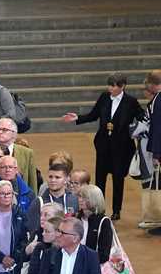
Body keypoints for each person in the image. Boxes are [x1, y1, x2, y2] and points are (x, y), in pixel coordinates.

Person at [61, 73, 142, 220]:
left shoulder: (131, 102)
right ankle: (98, 207)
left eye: (113, 86)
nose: (110, 88)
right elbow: (94, 115)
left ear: (122, 86)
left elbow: (142, 118)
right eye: (109, 85)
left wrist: (135, 131)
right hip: (104, 145)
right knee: (100, 178)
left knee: (118, 179)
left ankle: (117, 210)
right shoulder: (104, 97)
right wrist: (78, 118)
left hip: (122, 147)